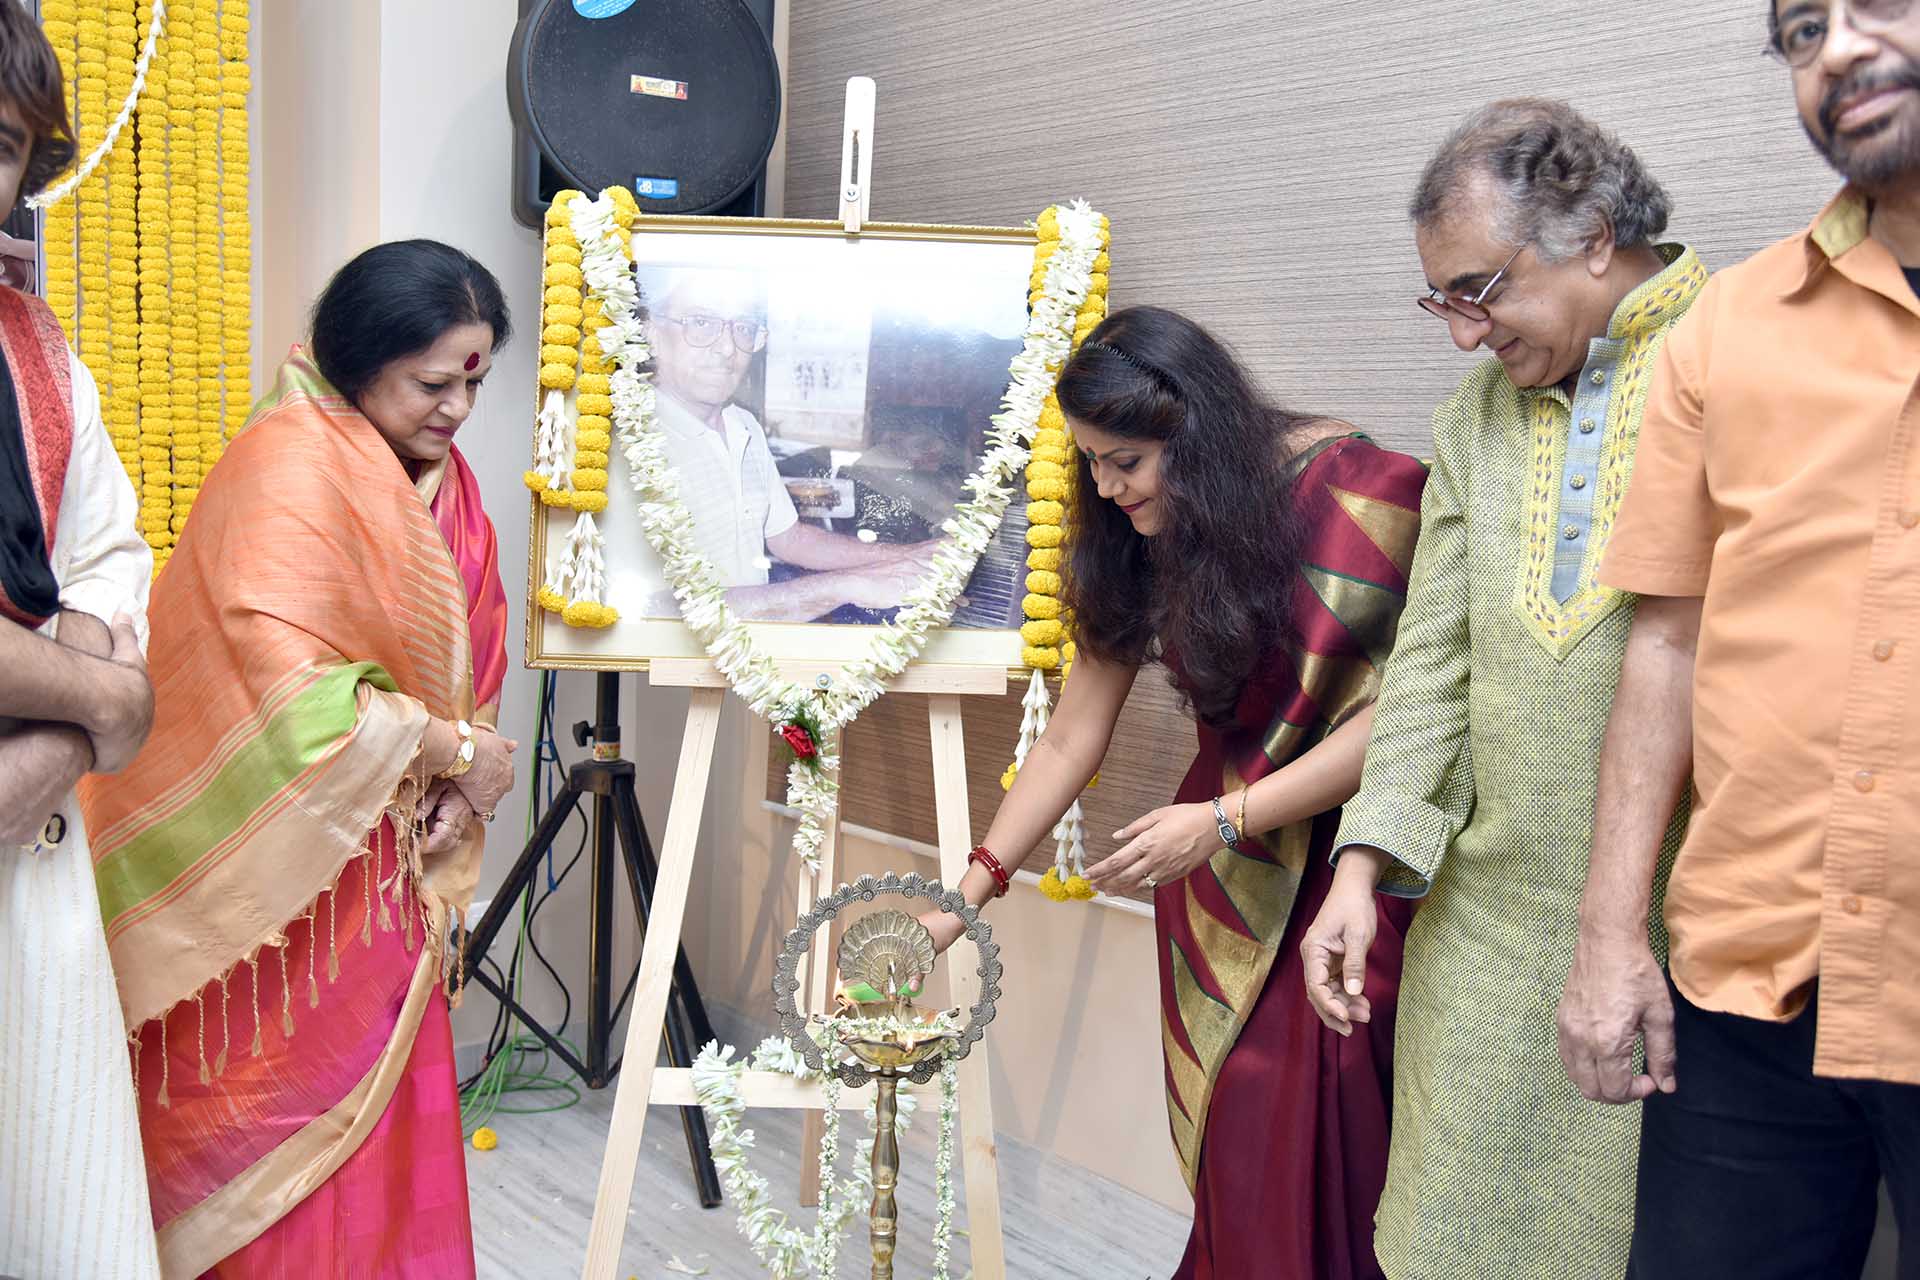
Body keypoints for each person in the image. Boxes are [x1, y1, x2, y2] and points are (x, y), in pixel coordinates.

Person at [926, 305, 1427, 1279]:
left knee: (1332, 1135)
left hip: (1354, 864)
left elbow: (1417, 714)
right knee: (1241, 1129)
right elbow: (1073, 732)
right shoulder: (1142, 531)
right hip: (1217, 878)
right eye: (1092, 465)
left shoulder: (1368, 492)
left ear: (1192, 433)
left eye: (1125, 462)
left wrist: (1229, 816)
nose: (1107, 488)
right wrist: (969, 891)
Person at [1300, 99, 1707, 1279]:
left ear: (1591, 232)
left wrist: (1625, 928)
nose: (1464, 335)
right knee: (1448, 1235)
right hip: (1484, 927)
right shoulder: (1476, 416)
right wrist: (1363, 864)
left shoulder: (1737, 355)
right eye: (1443, 301)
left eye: (1478, 289)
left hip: (1679, 930)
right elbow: (1432, 658)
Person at [1560, 4, 1920, 1275]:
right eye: (1803, 28)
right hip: (1750, 988)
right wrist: (1610, 939)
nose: (1835, 49)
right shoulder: (1734, 324)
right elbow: (1664, 638)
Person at [79, 241, 519, 1277]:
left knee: (382, 1153)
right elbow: (292, 700)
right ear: (361, 362)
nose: (457, 408)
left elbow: (472, 649)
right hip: (272, 894)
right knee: (270, 1159)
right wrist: (457, 749)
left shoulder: (448, 490)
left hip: (390, 881)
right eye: (432, 382)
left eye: (474, 382)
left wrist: (458, 784)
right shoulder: (286, 467)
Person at [0, 8, 162, 1273]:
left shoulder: (38, 345)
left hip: (34, 859)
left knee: (67, 1214)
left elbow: (109, 548)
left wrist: (42, 757)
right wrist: (105, 702)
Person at [642, 268, 939, 620]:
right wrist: (846, 585)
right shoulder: (630, 442)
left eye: (743, 328)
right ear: (652, 334)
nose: (726, 349)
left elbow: (789, 539)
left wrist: (910, 556)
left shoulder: (743, 425)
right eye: (702, 323)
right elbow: (653, 608)